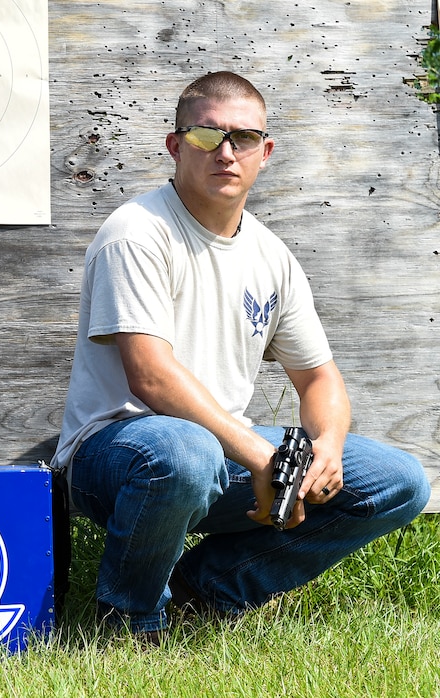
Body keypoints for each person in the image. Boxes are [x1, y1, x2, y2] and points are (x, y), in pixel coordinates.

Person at [51, 71, 430, 641]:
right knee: (184, 451)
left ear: (265, 151)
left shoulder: (271, 255)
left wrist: (324, 446)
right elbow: (150, 376)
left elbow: (320, 377)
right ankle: (127, 620)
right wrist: (263, 456)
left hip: (222, 452)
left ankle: (205, 591)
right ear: (176, 146)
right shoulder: (137, 232)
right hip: (113, 454)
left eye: (244, 138)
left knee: (395, 480)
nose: (226, 152)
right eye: (207, 136)